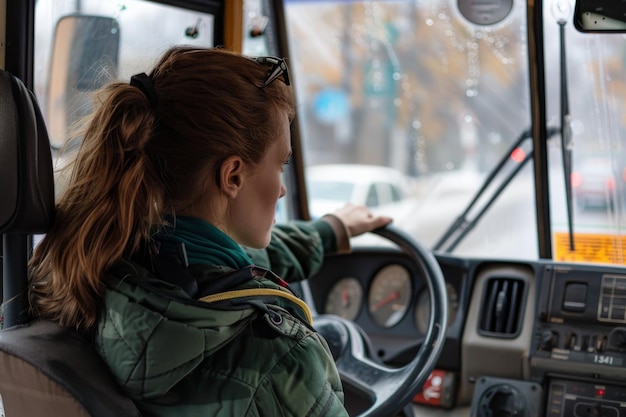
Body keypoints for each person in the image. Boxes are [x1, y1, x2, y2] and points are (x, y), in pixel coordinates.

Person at [28, 46, 392, 416]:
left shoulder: (88, 272)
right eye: (281, 164)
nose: (282, 189)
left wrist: (330, 231)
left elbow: (240, 262)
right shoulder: (281, 360)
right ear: (232, 176)